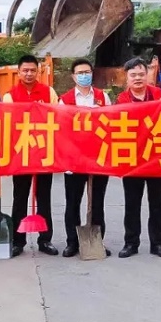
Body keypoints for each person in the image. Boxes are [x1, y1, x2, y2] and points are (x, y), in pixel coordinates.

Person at [2, 54, 59, 256]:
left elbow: (58, 118)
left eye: (32, 70)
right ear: (18, 72)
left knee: (44, 197)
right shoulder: (9, 96)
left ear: (38, 72)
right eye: (25, 70)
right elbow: (7, 126)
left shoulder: (49, 92)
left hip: (44, 153)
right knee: (20, 197)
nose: (28, 74)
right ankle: (18, 241)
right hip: (21, 154)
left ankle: (45, 240)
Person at [115, 57, 161, 258]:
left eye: (141, 74)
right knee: (132, 204)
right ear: (127, 77)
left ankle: (158, 243)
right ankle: (131, 243)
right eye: (133, 75)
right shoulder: (121, 100)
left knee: (158, 204)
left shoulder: (158, 95)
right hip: (133, 160)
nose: (138, 78)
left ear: (147, 75)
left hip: (156, 158)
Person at [58, 58, 112, 258]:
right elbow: (61, 130)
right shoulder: (64, 100)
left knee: (97, 202)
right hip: (73, 160)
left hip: (98, 158)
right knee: (73, 202)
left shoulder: (102, 98)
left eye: (87, 72)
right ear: (73, 76)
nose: (84, 76)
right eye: (80, 73)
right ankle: (72, 242)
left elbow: (111, 124)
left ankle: (97, 241)